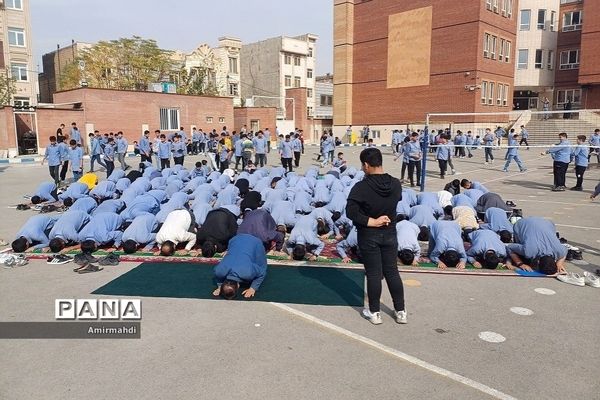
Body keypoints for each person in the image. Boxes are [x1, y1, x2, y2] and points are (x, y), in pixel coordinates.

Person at [346, 148, 406, 325]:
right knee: (392, 272)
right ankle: (401, 311)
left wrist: (372, 221)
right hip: (390, 232)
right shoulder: (395, 183)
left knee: (373, 273)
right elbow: (395, 201)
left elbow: (351, 212)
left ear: (366, 165)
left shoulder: (361, 187)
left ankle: (374, 312)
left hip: (369, 234)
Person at [212, 234, 268, 299]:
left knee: (261, 266)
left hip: (255, 242)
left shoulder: (247, 273)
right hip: (234, 239)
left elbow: (262, 273)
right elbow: (217, 275)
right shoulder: (219, 271)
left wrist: (253, 288)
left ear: (238, 286)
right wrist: (220, 286)